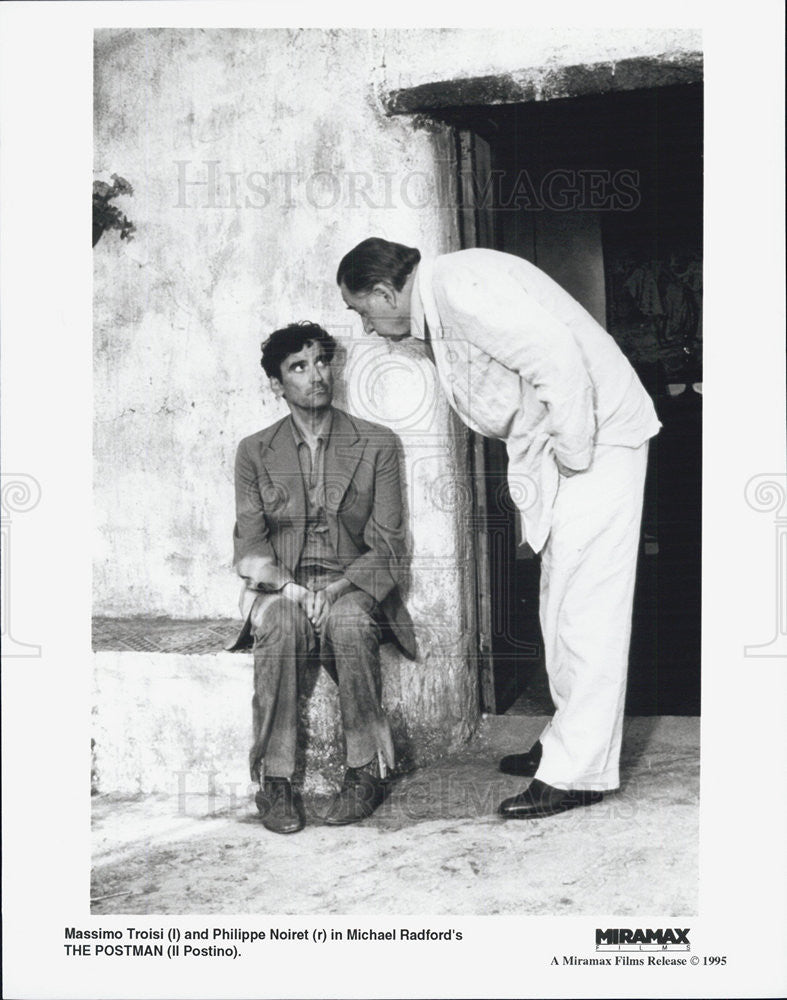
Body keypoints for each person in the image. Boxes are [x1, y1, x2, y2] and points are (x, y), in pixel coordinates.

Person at [337, 238, 660, 820]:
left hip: (595, 441)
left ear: (386, 291)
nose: (365, 326)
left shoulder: (458, 287)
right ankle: (567, 743)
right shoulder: (444, 294)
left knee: (587, 610)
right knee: (560, 603)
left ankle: (578, 772)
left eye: (362, 310)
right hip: (577, 444)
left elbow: (554, 357)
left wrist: (572, 458)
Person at [230, 321, 415, 834]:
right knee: (282, 625)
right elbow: (249, 545)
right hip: (285, 586)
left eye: (322, 362)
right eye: (298, 367)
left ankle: (365, 773)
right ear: (275, 384)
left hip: (351, 584)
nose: (316, 376)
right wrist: (288, 588)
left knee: (351, 623)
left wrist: (334, 590)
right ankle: (276, 782)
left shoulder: (377, 443)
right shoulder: (254, 451)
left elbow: (390, 544)